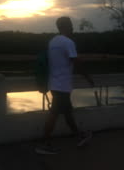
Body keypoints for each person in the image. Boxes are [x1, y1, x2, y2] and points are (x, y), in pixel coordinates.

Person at [35, 16, 95, 155]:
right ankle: (44, 144)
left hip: (55, 83)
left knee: (67, 113)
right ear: (65, 26)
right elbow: (76, 62)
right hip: (62, 85)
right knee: (54, 114)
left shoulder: (53, 42)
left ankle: (79, 137)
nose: (72, 27)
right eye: (70, 24)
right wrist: (88, 77)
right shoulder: (68, 42)